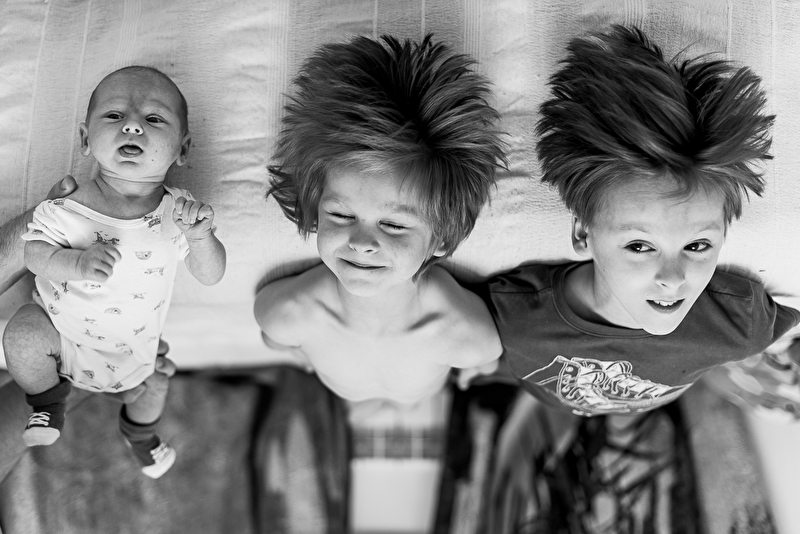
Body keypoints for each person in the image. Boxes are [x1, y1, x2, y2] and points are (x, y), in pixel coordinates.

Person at [481, 25, 800, 416]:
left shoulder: (739, 323)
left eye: (697, 245)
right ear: (582, 232)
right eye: (639, 246)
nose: (673, 279)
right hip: (537, 396)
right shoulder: (515, 312)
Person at [254, 35, 506, 406]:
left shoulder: (463, 332)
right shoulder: (288, 313)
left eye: (393, 225)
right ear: (315, 210)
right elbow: (274, 340)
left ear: (440, 238)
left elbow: (485, 362)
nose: (361, 243)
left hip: (425, 397)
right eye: (342, 215)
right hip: (341, 396)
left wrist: (469, 375)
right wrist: (302, 357)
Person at [1, 66, 226, 478]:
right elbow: (33, 254)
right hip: (59, 338)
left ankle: (141, 435)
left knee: (155, 383)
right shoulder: (68, 205)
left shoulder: (179, 213)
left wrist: (201, 238)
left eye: (153, 118)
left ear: (183, 148)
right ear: (86, 139)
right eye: (114, 115)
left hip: (132, 354)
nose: (133, 127)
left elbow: (210, 275)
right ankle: (46, 403)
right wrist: (76, 264)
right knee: (20, 336)